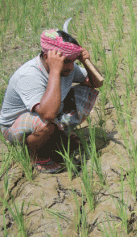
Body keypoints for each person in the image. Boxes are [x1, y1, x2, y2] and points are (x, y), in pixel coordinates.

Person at [0, 29, 103, 173]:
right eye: (66, 62)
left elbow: (96, 82)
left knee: (86, 91)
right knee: (47, 123)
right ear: (47, 57)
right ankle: (38, 156)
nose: (71, 67)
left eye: (73, 61)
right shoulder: (28, 75)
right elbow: (47, 115)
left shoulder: (68, 68)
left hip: (46, 113)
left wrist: (86, 62)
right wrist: (55, 71)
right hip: (13, 125)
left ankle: (57, 136)